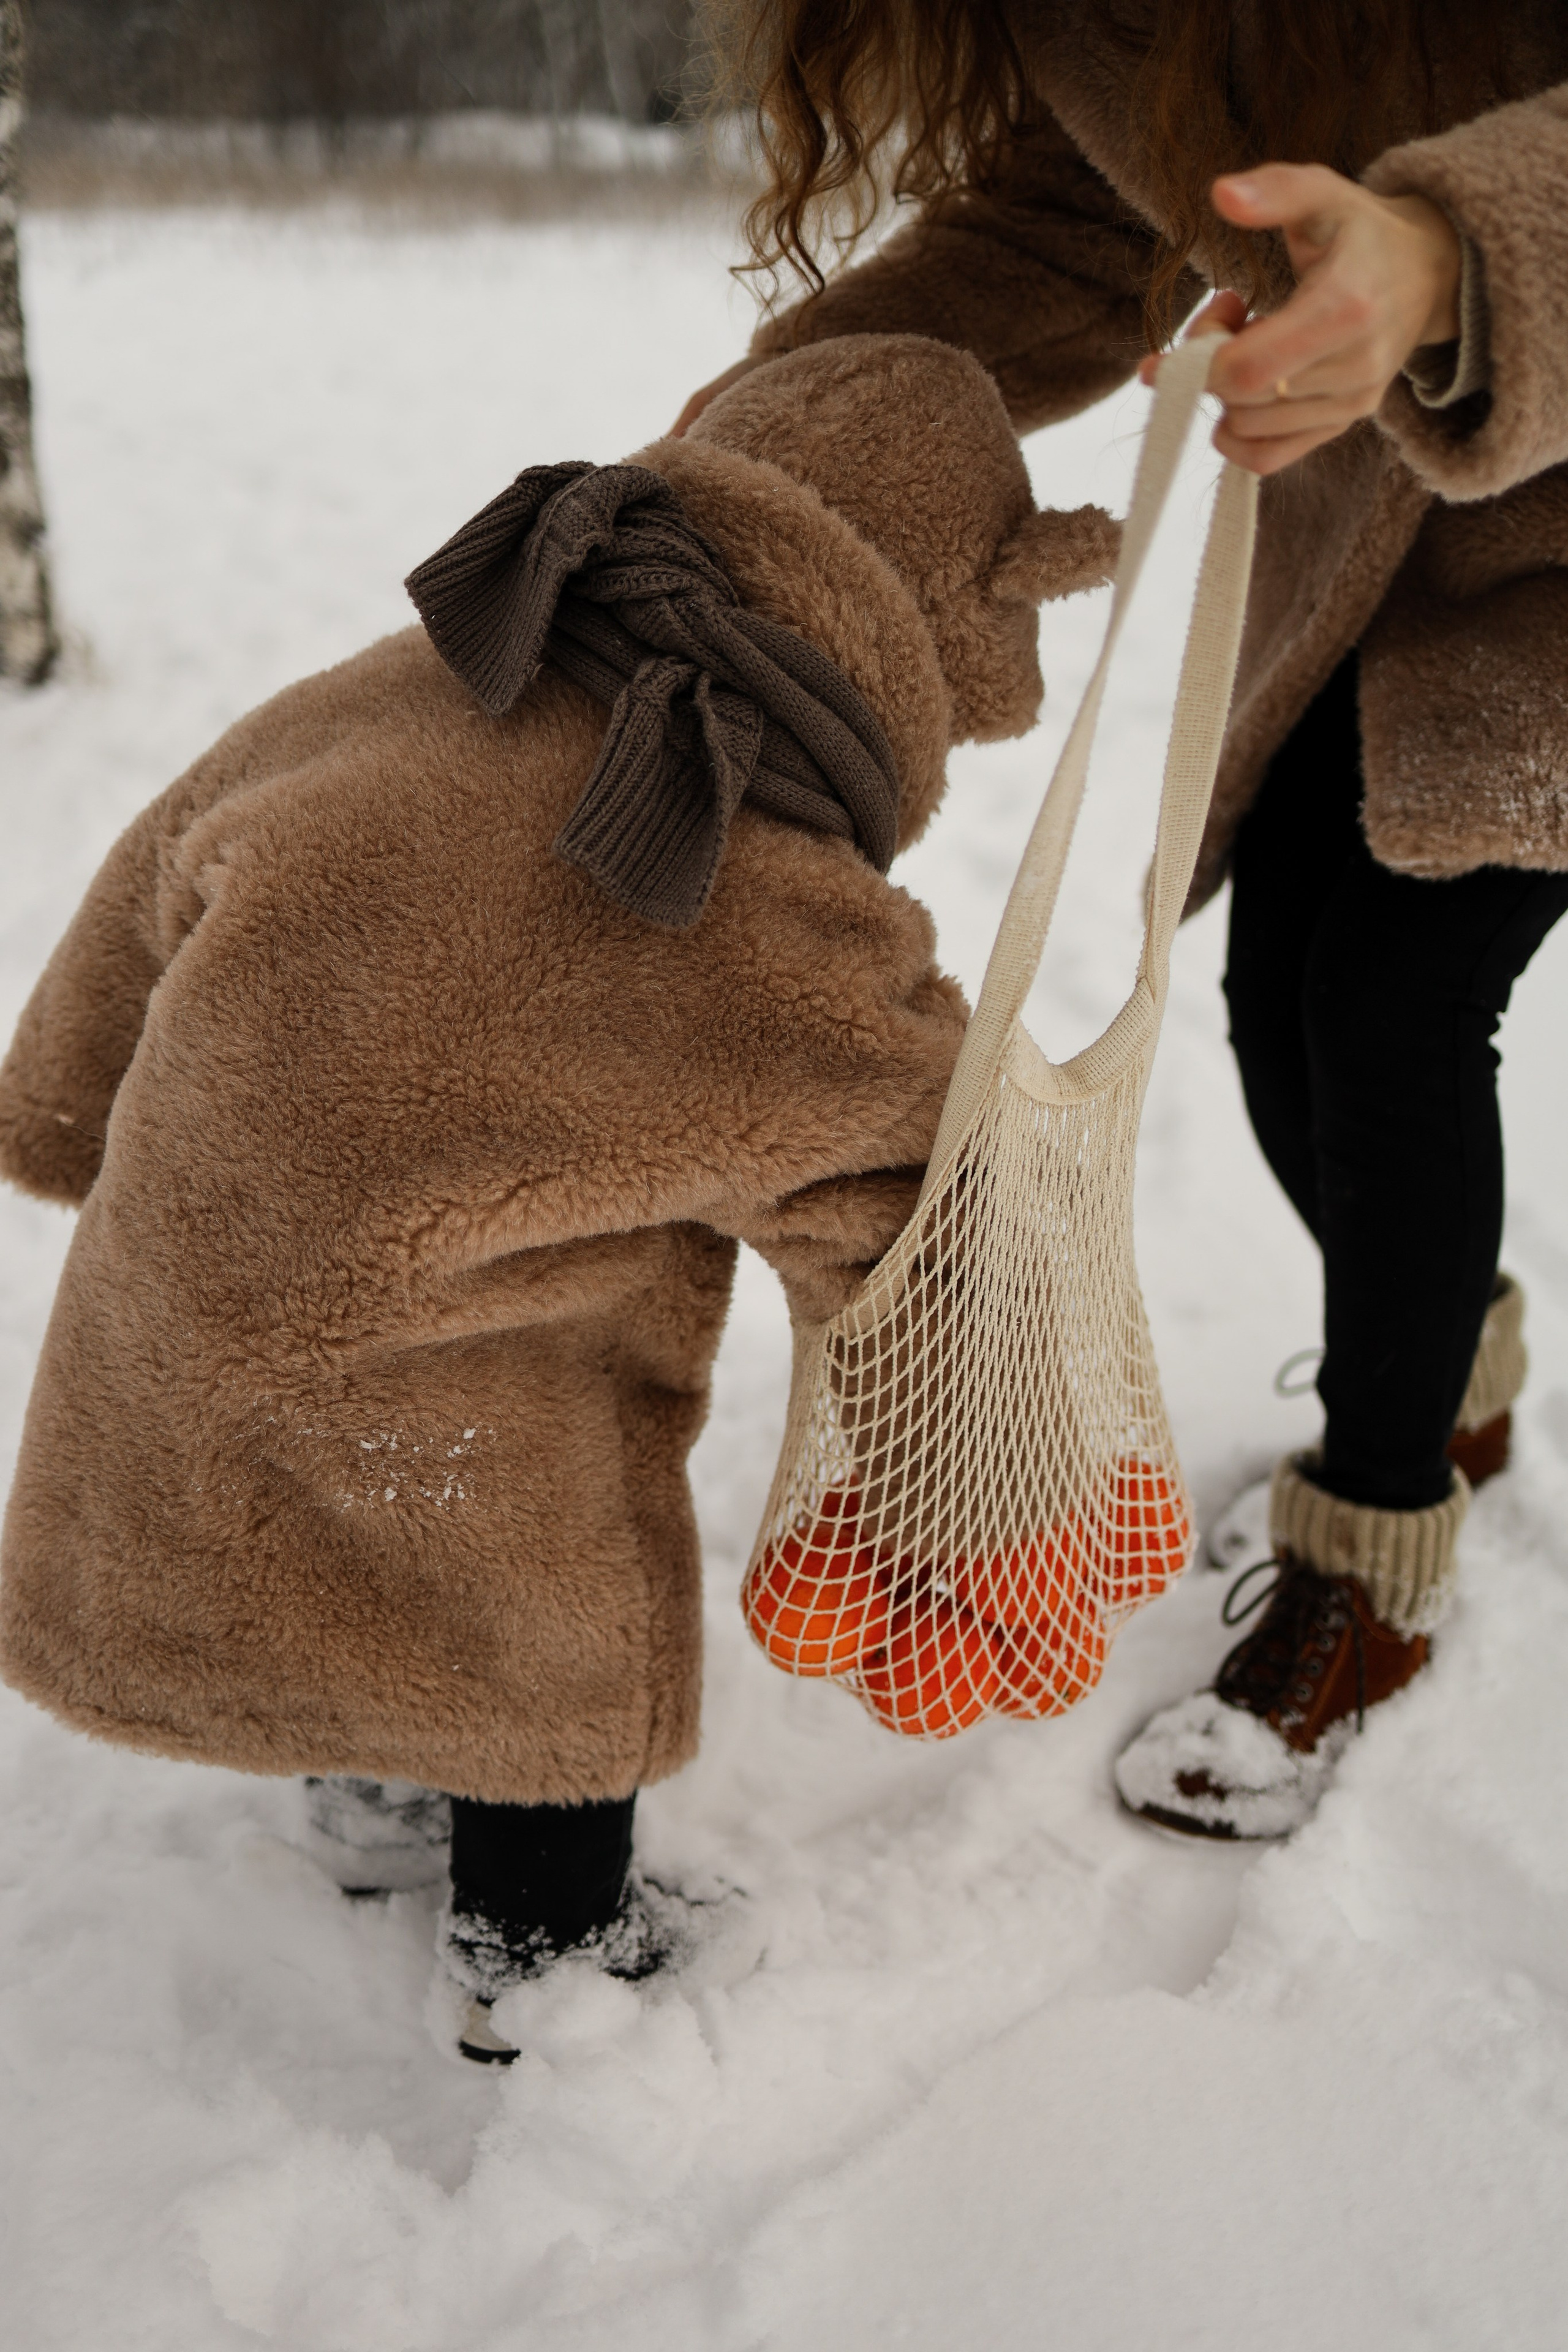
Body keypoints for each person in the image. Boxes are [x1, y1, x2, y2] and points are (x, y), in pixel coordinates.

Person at [0, 331, 1115, 2060]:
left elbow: (154, 862)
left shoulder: (412, 680)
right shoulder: (751, 876)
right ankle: (547, 1949)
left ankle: (371, 1783)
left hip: (194, 1291)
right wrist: (951, 1416)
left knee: (332, 1511)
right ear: (955, 609)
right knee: (533, 1562)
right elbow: (907, 1171)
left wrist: (66, 1113)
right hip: (442, 1371)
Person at [680, 1, 1568, 1836]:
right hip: (1373, 545)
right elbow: (1077, 229)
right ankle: (1450, 1358)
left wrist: (1451, 259)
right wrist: (750, 436)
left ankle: (1378, 1557)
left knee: (1393, 1016)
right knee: (1276, 1012)